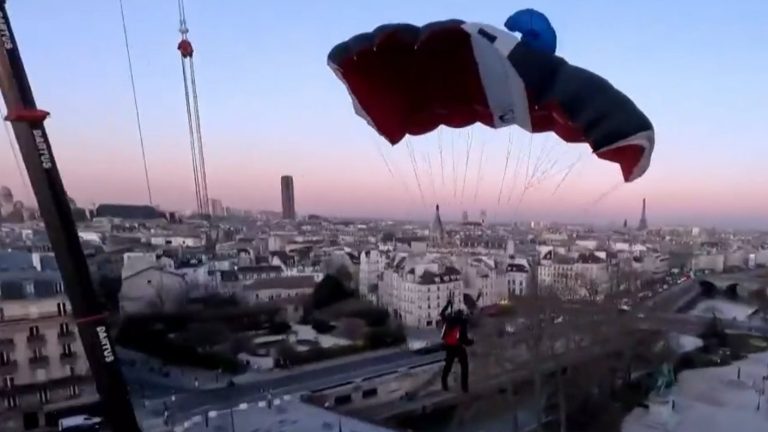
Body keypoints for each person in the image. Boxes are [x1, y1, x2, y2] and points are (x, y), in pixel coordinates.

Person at [439, 298, 473, 393]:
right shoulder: (462, 322)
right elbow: (464, 340)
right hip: (457, 347)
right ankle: (464, 387)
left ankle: (444, 383)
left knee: (448, 366)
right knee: (464, 366)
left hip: (448, 346)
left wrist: (447, 304)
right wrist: (471, 342)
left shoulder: (448, 319)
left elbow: (441, 313)